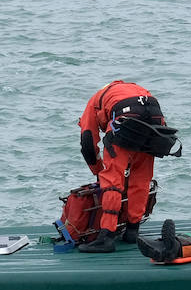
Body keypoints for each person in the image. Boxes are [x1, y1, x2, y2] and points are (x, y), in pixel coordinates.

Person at [76, 80, 180, 253]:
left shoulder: (94, 102)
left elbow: (88, 143)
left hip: (124, 117)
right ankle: (132, 230)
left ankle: (106, 237)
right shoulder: (131, 88)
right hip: (154, 115)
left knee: (112, 180)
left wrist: (100, 173)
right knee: (141, 177)